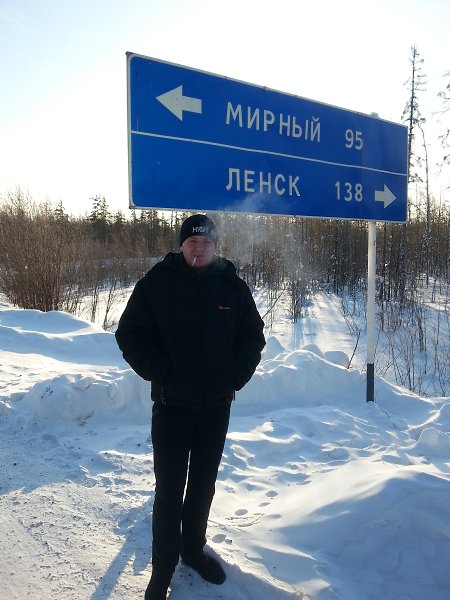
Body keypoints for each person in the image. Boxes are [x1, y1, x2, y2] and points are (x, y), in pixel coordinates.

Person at [115, 214, 266, 600]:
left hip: (216, 408)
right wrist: (161, 371)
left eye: (206, 243)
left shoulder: (231, 286)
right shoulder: (158, 283)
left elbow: (253, 335)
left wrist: (234, 377)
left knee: (202, 486)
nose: (199, 249)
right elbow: (129, 334)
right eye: (192, 242)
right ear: (181, 245)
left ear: (216, 246)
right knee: (169, 492)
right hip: (172, 408)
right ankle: (162, 570)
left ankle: (193, 550)